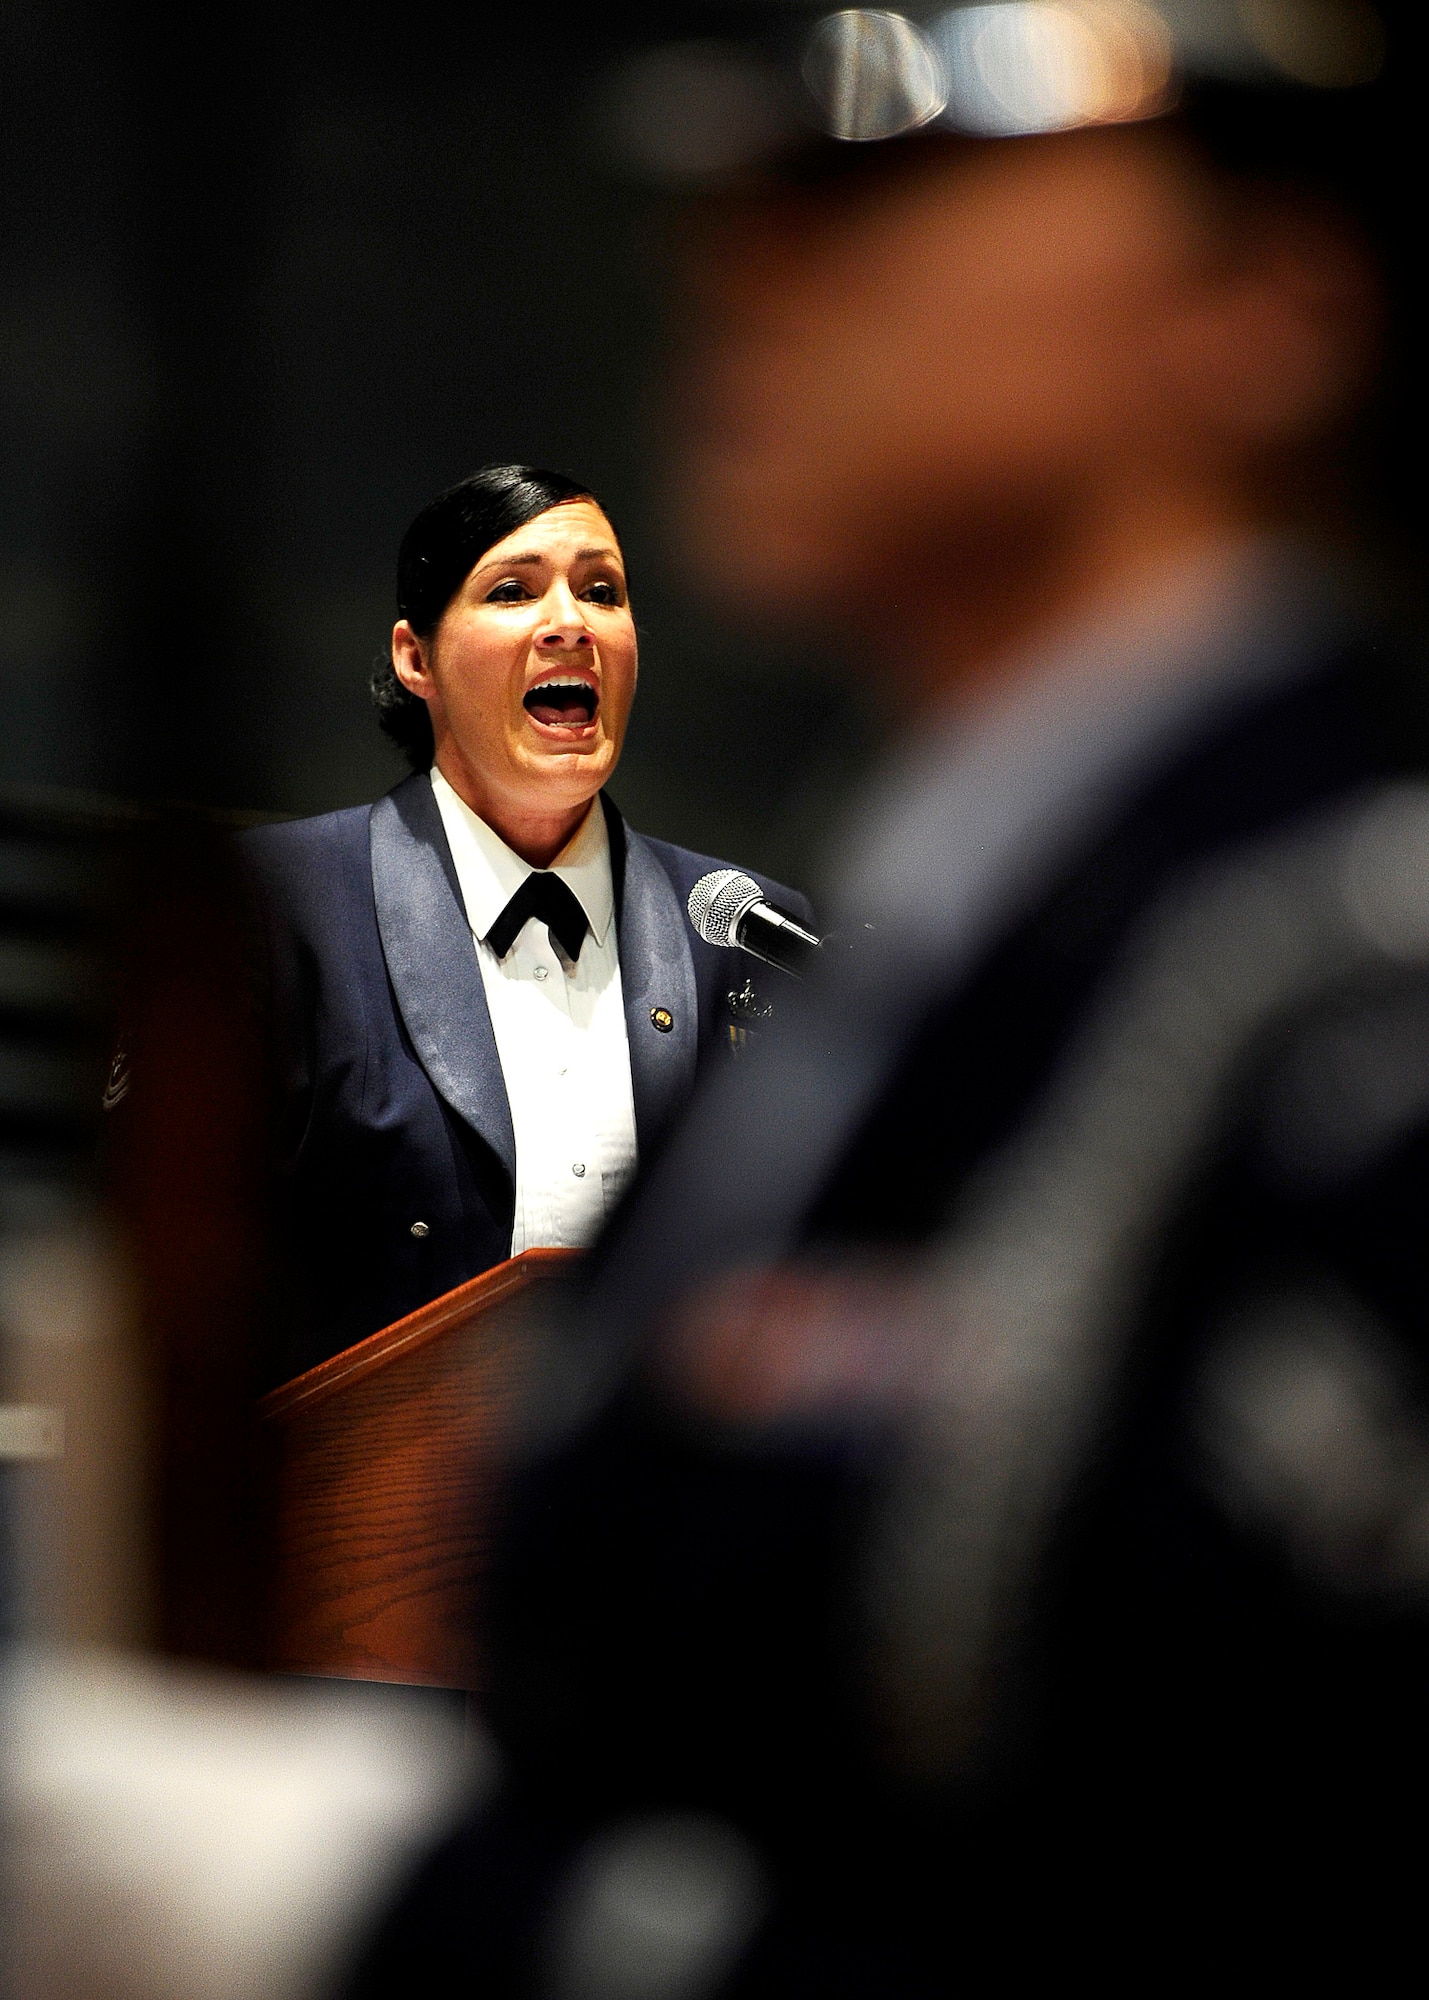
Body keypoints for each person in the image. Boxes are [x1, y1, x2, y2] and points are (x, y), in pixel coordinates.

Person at [344, 5, 1429, 1991]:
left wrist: (367, 1918)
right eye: (752, 187)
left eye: (896, 179)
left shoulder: (1360, 988)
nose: (743, 248)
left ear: (1270, 301)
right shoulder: (932, 924)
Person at [242, 464, 809, 1382]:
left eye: (602, 592)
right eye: (511, 591)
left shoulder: (747, 931)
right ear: (414, 658)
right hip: (356, 1502)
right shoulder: (277, 907)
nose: (570, 624)